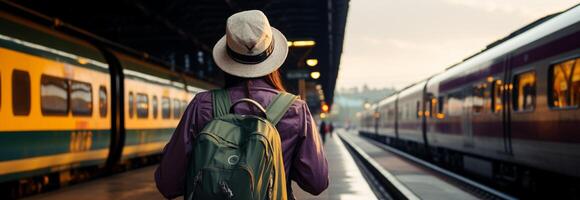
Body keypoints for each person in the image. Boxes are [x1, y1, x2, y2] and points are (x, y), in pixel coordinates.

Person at [155, 10, 329, 199]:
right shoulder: (295, 109)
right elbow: (317, 182)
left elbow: (168, 184)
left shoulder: (202, 105)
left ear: (227, 58)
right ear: (272, 59)